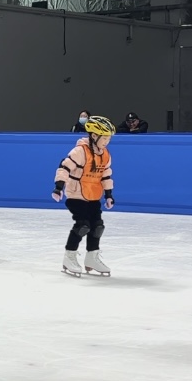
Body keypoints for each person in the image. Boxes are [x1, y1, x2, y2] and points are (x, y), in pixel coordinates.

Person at [52, 116, 116, 278]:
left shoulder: (105, 154)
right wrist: (58, 187)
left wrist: (109, 195)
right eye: (104, 138)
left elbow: (106, 175)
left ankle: (91, 257)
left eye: (109, 139)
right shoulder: (80, 151)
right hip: (76, 195)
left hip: (93, 195)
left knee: (97, 227)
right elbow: (64, 167)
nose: (107, 142)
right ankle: (69, 256)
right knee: (83, 225)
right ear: (94, 136)